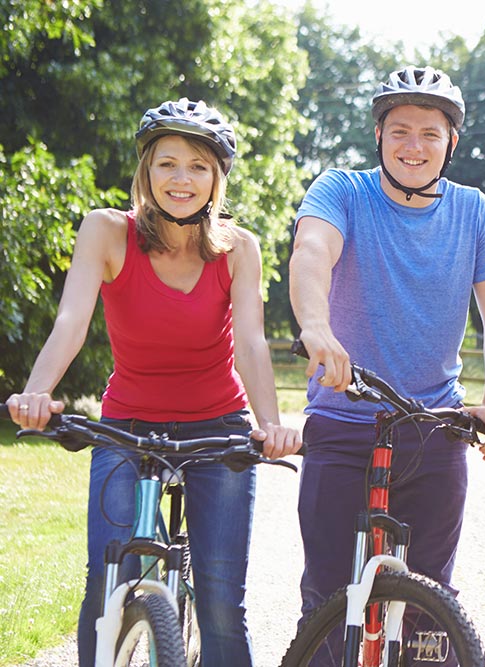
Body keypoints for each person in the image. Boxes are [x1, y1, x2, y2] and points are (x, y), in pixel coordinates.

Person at [5, 98, 301, 666]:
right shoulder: (106, 232)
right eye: (167, 163)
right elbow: (71, 322)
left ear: (217, 179)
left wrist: (270, 427)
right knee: (108, 578)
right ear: (146, 171)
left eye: (198, 166)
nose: (181, 179)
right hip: (127, 426)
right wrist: (36, 392)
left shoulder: (239, 249)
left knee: (220, 600)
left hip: (218, 430)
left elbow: (251, 344)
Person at [288, 65, 485, 663]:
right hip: (342, 419)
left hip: (434, 426)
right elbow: (313, 249)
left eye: (429, 133)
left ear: (451, 143)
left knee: (429, 604)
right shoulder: (342, 190)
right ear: (379, 137)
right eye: (399, 132)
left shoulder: (473, 211)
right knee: (327, 599)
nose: (413, 146)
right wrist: (316, 327)